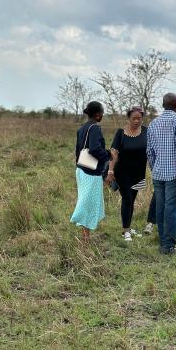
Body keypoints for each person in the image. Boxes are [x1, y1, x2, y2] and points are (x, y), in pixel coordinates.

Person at [147, 93, 176, 254]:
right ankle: (168, 246)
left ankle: (163, 241)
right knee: (172, 209)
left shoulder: (153, 123)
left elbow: (150, 152)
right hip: (175, 172)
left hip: (158, 172)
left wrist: (154, 168)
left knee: (160, 208)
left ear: (163, 104)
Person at [71, 101, 111, 244]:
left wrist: (80, 165)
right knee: (87, 204)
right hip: (91, 173)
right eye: (102, 112)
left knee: (85, 201)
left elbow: (78, 151)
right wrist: (108, 154)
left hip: (81, 170)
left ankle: (85, 238)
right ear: (98, 114)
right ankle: (85, 238)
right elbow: (94, 149)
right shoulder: (95, 128)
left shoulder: (82, 128)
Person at [105, 107, 147, 242]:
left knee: (132, 200)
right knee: (127, 199)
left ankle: (128, 227)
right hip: (122, 171)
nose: (136, 121)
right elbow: (113, 152)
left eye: (139, 118)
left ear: (142, 118)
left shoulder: (146, 131)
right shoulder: (121, 133)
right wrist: (110, 171)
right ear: (128, 118)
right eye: (133, 118)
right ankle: (125, 231)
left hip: (139, 173)